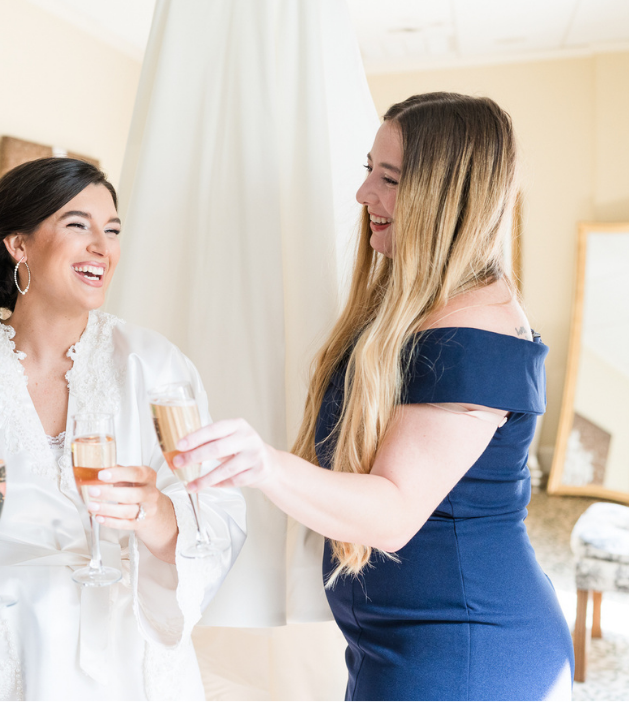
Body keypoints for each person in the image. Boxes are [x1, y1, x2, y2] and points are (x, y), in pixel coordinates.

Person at [174, 93, 573, 702]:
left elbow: (391, 515)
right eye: (369, 170)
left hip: (466, 653)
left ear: (445, 198)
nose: (364, 194)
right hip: (398, 644)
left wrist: (265, 464)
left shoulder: (476, 335)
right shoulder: (416, 307)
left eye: (388, 179)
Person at [0, 157, 245, 701]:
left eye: (113, 230)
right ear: (18, 245)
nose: (102, 245)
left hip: (127, 655)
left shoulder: (154, 366)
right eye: (78, 225)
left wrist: (154, 512)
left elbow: (217, 518)